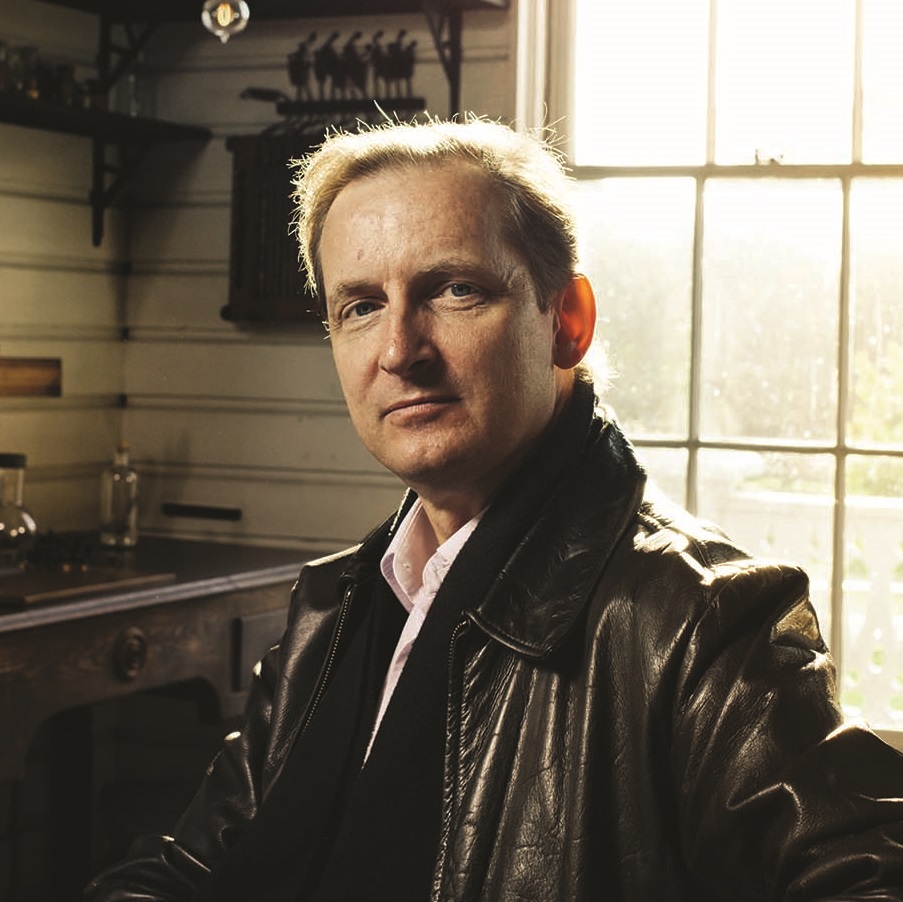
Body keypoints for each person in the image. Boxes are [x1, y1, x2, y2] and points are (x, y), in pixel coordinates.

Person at [85, 116, 903, 902]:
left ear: (567, 323)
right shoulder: (330, 612)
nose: (399, 349)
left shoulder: (701, 617)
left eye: (455, 290)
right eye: (360, 306)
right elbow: (186, 873)